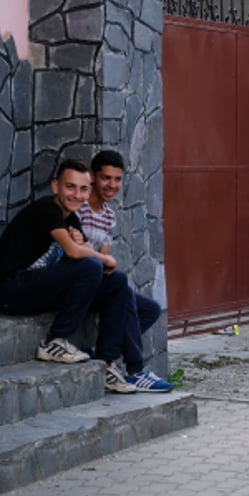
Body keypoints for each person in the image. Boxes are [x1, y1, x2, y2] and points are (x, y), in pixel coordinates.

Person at [0, 158, 172, 393]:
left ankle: (107, 363)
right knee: (94, 268)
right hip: (9, 289)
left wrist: (89, 252)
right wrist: (103, 257)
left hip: (39, 287)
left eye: (84, 189)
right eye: (70, 187)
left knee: (117, 282)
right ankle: (55, 341)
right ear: (56, 186)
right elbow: (80, 255)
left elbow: (88, 259)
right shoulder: (46, 209)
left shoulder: (72, 219)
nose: (77, 194)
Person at [76, 149, 163, 379]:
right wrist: (100, 259)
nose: (112, 185)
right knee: (121, 286)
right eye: (106, 178)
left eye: (117, 179)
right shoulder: (79, 208)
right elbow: (78, 254)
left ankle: (102, 351)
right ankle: (135, 369)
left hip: (100, 280)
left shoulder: (108, 215)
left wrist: (101, 259)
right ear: (93, 177)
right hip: (79, 280)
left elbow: (105, 259)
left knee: (150, 309)